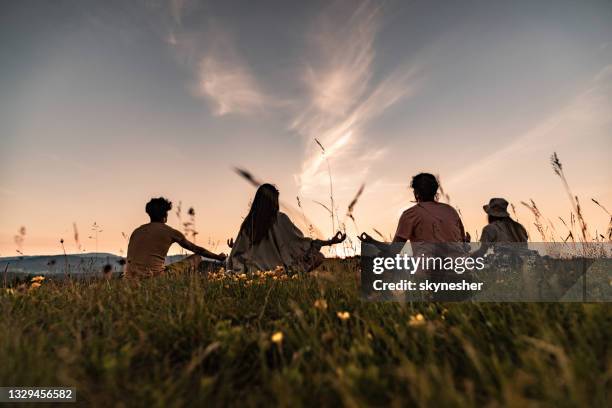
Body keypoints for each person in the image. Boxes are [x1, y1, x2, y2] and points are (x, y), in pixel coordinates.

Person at [226, 183, 346, 274]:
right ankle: (293, 277)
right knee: (318, 257)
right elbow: (300, 243)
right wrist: (330, 242)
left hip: (255, 274)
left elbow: (239, 253)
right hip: (280, 273)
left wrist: (235, 246)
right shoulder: (280, 219)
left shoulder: (249, 224)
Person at [125, 197, 226, 278]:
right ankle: (190, 285)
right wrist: (218, 257)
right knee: (197, 257)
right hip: (154, 278)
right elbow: (197, 249)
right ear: (165, 215)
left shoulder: (137, 231)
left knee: (161, 266)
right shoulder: (170, 232)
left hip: (130, 279)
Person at [359, 173, 468, 245]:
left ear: (416, 192)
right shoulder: (451, 211)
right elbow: (464, 244)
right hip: (461, 273)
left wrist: (372, 241)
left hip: (430, 276)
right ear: (435, 191)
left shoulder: (411, 214)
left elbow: (393, 252)